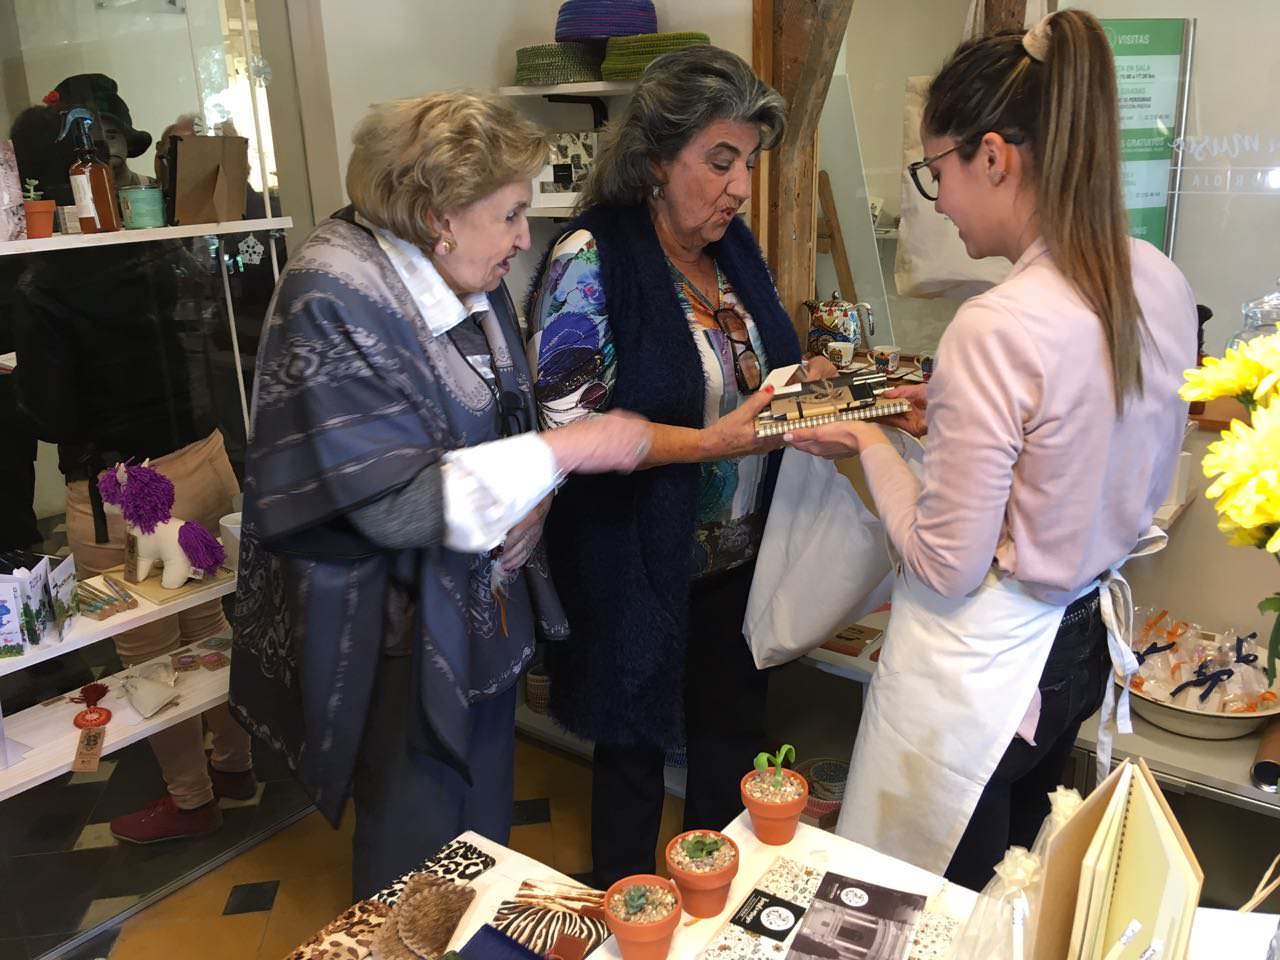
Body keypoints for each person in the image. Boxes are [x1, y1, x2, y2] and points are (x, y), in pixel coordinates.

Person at [783, 10, 1197, 889]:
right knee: (1015, 886)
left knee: (931, 905)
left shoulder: (997, 324)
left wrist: (867, 441)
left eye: (937, 172)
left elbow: (945, 565)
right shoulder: (1158, 280)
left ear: (996, 157)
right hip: (1078, 644)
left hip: (990, 673)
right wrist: (955, 417)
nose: (940, 202)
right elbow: (1083, 447)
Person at [227, 93, 652, 900]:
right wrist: (569, 449)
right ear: (438, 217)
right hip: (388, 629)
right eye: (512, 215)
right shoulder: (333, 293)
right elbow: (390, 504)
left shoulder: (457, 273)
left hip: (469, 603)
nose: (525, 237)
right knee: (416, 854)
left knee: (477, 838)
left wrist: (537, 497)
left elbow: (504, 415)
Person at [526, 46, 834, 888]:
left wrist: (803, 382)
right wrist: (709, 444)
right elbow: (567, 419)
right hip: (632, 561)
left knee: (729, 750)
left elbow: (759, 370)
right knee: (630, 760)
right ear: (657, 159)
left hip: (738, 561)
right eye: (720, 161)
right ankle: (628, 917)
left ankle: (711, 914)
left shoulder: (732, 252)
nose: (740, 187)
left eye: (749, 163)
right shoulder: (592, 253)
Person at [10, 105, 255, 844]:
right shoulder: (158, 243)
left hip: (122, 489)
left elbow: (53, 413)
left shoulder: (40, 280)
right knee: (208, 620)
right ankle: (235, 764)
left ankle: (190, 799)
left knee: (145, 648)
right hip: (203, 457)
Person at [49, 73, 154, 187]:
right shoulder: (67, 194)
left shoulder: (153, 188)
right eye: (92, 139)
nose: (105, 146)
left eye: (111, 137)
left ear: (127, 141)